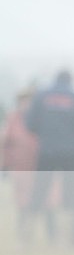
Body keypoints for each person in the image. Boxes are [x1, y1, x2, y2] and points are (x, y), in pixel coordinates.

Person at [25, 70, 74, 248]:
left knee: (38, 194)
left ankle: (26, 238)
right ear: (70, 81)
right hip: (71, 154)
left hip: (47, 153)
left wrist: (45, 137)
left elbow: (30, 124)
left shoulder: (41, 96)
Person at [1, 88, 41, 243]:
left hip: (37, 167)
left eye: (29, 101)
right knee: (22, 203)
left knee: (42, 202)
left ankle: (45, 235)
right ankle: (23, 236)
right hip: (19, 168)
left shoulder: (40, 118)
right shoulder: (13, 119)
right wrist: (5, 165)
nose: (26, 105)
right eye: (23, 101)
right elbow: (6, 143)